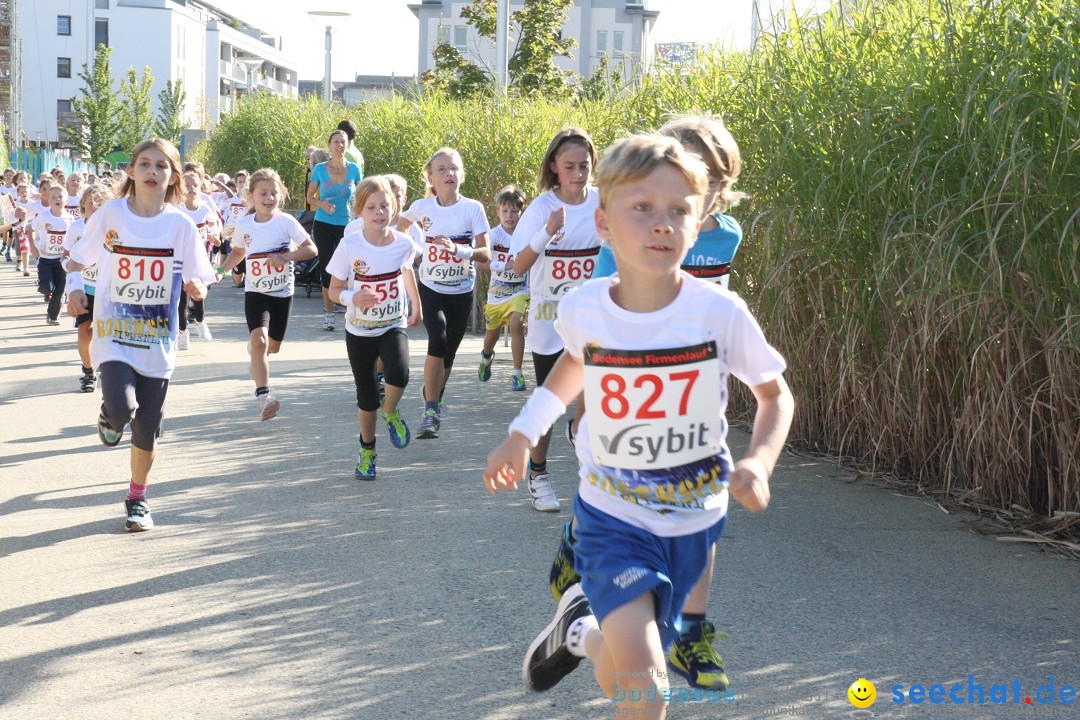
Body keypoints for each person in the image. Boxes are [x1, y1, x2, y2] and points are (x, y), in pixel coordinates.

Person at [483, 134, 794, 719]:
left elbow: (775, 393)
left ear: (698, 224)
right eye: (642, 208)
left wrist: (758, 461)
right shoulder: (585, 307)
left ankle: (580, 633)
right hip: (611, 522)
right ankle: (589, 625)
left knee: (632, 676)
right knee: (649, 690)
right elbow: (573, 369)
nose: (662, 224)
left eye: (678, 210)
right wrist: (523, 434)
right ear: (603, 223)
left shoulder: (719, 313)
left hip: (693, 524)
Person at [553, 114, 751, 691]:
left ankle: (690, 633)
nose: (699, 182)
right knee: (617, 487)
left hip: (690, 394)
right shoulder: (632, 232)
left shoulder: (726, 233)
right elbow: (601, 318)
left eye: (712, 175)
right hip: (627, 384)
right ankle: (581, 536)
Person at [65, 137, 216, 532]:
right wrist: (76, 288)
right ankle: (109, 414)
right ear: (131, 171)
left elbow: (200, 273)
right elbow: (78, 257)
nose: (152, 171)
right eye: (145, 164)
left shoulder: (180, 224)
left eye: (161, 165)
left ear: (173, 176)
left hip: (158, 339)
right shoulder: (112, 214)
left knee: (147, 425)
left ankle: (137, 498)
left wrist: (197, 287)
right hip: (114, 333)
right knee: (121, 408)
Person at [508, 127, 602, 511]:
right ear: (554, 167)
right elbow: (517, 266)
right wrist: (547, 234)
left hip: (594, 320)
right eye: (570, 166)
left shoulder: (602, 203)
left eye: (585, 166)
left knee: (599, 394)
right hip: (550, 321)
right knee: (549, 401)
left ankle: (583, 439)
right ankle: (539, 474)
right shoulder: (542, 209)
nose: (578, 173)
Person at [327, 176, 422, 479]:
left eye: (385, 206)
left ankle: (391, 411)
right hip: (359, 330)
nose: (379, 212)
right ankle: (368, 451)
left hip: (392, 323)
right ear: (359, 212)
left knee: (400, 373)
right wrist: (353, 296)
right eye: (372, 207)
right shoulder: (349, 245)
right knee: (366, 397)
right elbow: (333, 290)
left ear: (394, 208)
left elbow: (406, 273)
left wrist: (416, 305)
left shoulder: (405, 244)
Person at [404, 147, 491, 439]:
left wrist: (460, 250)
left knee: (449, 353)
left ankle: (435, 394)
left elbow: (486, 255)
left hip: (462, 290)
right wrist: (410, 253)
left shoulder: (472, 209)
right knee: (437, 338)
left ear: (461, 174)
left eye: (453, 168)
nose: (448, 173)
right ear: (431, 177)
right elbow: (399, 228)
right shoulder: (422, 207)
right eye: (441, 169)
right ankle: (430, 410)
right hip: (430, 286)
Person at [218, 168, 317, 420]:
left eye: (274, 193)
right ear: (251, 196)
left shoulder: (286, 222)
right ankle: (264, 397)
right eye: (263, 193)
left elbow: (311, 250)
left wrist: (285, 257)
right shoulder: (245, 224)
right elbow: (238, 252)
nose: (269, 198)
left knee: (272, 346)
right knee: (259, 341)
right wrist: (221, 270)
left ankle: (256, 357)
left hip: (282, 293)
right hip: (256, 292)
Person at [307, 129, 362, 331]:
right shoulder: (320, 169)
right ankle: (329, 314)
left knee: (350, 269)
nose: (340, 145)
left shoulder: (354, 169)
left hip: (346, 225)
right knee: (327, 269)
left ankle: (351, 310)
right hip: (323, 224)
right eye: (336, 142)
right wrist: (321, 204)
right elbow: (309, 196)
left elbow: (360, 195)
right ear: (330, 145)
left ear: (347, 145)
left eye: (343, 142)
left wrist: (359, 211)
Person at [477, 185, 528, 391]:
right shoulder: (494, 235)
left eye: (514, 211)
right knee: (492, 335)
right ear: (497, 212)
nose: (510, 216)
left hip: (519, 290)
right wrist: (503, 265)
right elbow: (480, 262)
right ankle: (486, 356)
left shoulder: (526, 234)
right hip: (496, 294)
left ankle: (517, 374)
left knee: (517, 323)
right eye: (505, 211)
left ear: (521, 213)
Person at [62, 185, 112, 391]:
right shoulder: (76, 228)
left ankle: (110, 371)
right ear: (83, 204)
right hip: (85, 288)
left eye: (101, 203)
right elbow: (65, 256)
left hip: (110, 290)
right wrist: (74, 270)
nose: (95, 207)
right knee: (85, 331)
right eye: (91, 202)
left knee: (108, 334)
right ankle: (88, 371)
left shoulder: (114, 228)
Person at [177, 166, 223, 348]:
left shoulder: (204, 209)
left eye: (194, 185)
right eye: (186, 185)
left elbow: (214, 228)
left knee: (198, 293)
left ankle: (201, 321)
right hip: (180, 258)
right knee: (182, 298)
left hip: (199, 258)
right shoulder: (177, 209)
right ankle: (182, 332)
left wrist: (214, 237)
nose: (191, 188)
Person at [30, 184, 73, 325]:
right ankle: (42, 285)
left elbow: (75, 237)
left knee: (60, 290)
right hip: (45, 259)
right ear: (48, 199)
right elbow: (30, 230)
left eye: (60, 196)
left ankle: (52, 316)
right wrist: (33, 247)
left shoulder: (70, 219)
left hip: (62, 259)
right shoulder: (43, 217)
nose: (57, 199)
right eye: (53, 196)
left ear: (66, 200)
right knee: (46, 288)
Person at [220, 169, 250, 287]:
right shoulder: (231, 200)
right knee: (237, 274)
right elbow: (222, 212)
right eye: (240, 182)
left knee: (248, 257)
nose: (243, 184)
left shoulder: (254, 199)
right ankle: (238, 274)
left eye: (245, 181)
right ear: (236, 184)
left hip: (249, 234)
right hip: (234, 234)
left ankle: (250, 278)